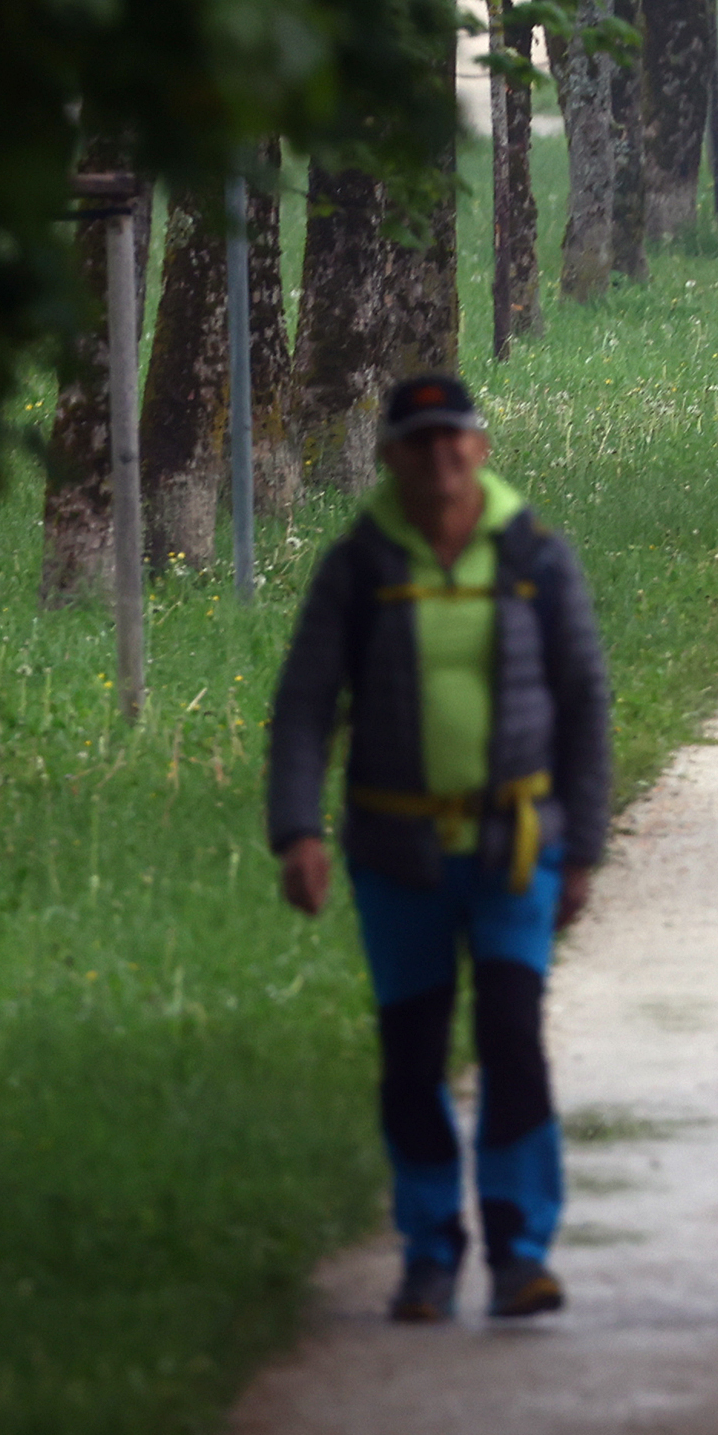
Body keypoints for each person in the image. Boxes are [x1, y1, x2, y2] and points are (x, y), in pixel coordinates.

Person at [266, 374, 613, 1324]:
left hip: (516, 846)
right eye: (419, 443)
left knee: (511, 1034)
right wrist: (297, 829)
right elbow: (303, 706)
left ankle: (518, 1250)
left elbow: (584, 702)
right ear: (389, 458)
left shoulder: (536, 553)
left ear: (483, 447)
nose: (441, 457)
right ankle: (428, 1251)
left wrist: (584, 844)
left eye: (456, 438)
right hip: (396, 849)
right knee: (411, 1052)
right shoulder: (359, 565)